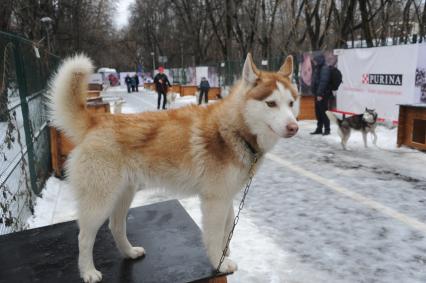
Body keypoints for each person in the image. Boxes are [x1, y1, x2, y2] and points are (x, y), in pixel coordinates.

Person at [310, 54, 332, 135]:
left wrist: (320, 94)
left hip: (322, 94)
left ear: (319, 60)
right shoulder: (318, 68)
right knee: (318, 112)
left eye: (315, 61)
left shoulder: (325, 69)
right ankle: (319, 128)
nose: (314, 62)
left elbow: (323, 82)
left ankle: (327, 129)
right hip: (317, 94)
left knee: (324, 112)